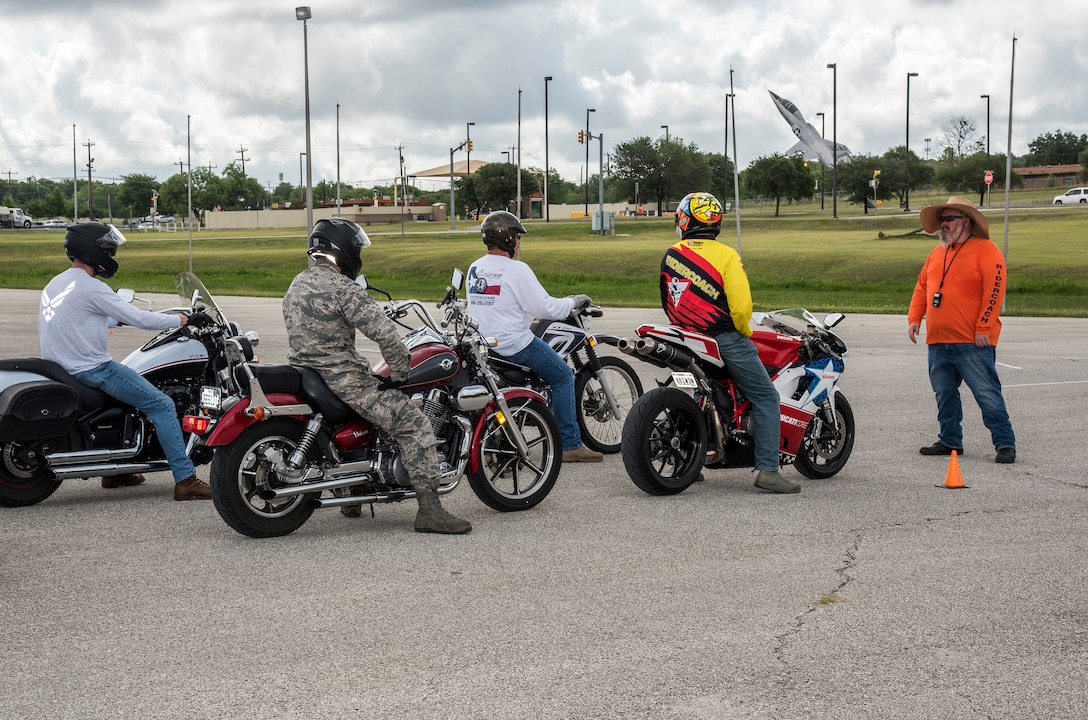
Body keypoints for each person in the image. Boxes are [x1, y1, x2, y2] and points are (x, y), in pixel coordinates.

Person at [282, 218, 471, 534]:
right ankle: (430, 511)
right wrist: (399, 372)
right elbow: (385, 334)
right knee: (415, 424)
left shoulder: (297, 282)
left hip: (307, 373)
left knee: (368, 421)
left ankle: (354, 493)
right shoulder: (344, 288)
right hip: (343, 379)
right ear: (344, 250)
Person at [38, 222, 212, 500]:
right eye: (108, 248)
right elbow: (141, 319)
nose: (111, 254)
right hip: (93, 369)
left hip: (63, 367)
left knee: (129, 401)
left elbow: (82, 317)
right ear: (93, 250)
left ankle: (116, 472)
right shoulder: (92, 288)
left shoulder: (57, 283)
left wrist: (116, 318)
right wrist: (183, 319)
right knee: (163, 404)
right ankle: (186, 479)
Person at [659, 192, 800, 494]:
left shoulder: (671, 254)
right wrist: (744, 333)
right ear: (716, 220)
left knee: (698, 394)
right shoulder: (726, 255)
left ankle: (689, 460)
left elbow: (667, 298)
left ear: (684, 219)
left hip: (684, 337)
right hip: (722, 337)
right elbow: (741, 307)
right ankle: (768, 470)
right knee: (766, 398)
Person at [466, 211, 603, 464]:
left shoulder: (475, 267)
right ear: (507, 239)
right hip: (515, 344)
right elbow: (545, 308)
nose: (519, 243)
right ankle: (571, 444)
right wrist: (573, 301)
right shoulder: (517, 269)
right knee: (563, 375)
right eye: (517, 237)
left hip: (485, 345)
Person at [908, 196, 1016, 464]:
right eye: (942, 220)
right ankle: (950, 440)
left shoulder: (986, 251)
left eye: (949, 219)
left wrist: (984, 327)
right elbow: (923, 287)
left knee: (986, 393)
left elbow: (995, 291)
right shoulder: (936, 253)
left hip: (973, 341)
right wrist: (914, 317)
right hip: (939, 340)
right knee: (944, 393)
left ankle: (1005, 444)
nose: (944, 225)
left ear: (966, 221)